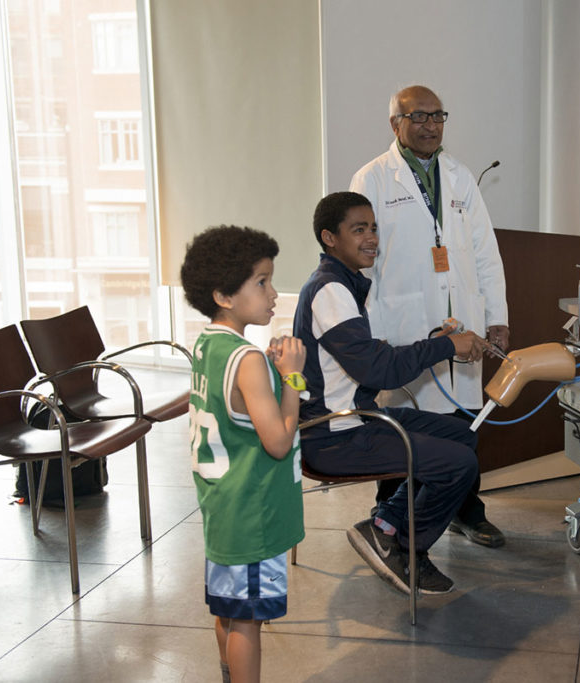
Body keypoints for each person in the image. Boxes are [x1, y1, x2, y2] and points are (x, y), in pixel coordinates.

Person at [294, 191, 487, 595]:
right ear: (330, 238)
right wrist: (446, 347)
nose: (371, 238)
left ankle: (384, 525)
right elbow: (377, 370)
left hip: (356, 418)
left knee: (463, 437)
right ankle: (405, 551)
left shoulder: (343, 284)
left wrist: (433, 340)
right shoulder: (330, 291)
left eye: (374, 228)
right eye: (358, 229)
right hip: (335, 436)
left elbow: (368, 357)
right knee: (457, 465)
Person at [350, 85, 509, 548]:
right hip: (402, 324)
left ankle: (466, 510)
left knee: (464, 423)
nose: (430, 125)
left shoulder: (460, 176)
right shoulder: (373, 179)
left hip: (461, 321)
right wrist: (370, 333)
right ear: (395, 123)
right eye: (418, 116)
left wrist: (496, 313)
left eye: (438, 115)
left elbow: (485, 251)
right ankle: (387, 516)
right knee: (399, 426)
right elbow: (361, 256)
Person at [181, 225, 306, 683]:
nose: (273, 293)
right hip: (253, 513)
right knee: (248, 621)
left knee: (228, 612)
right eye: (261, 282)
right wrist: (293, 377)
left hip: (224, 507)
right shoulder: (249, 360)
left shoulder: (207, 344)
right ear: (224, 295)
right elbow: (277, 440)